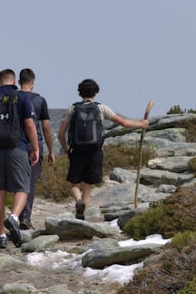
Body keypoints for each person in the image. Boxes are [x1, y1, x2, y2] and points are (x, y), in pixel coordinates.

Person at [57, 78, 149, 220]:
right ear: (96, 92)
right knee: (88, 185)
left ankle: (78, 202)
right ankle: (82, 215)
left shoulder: (72, 108)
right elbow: (123, 122)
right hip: (95, 151)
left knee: (74, 184)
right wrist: (140, 124)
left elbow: (61, 133)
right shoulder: (101, 108)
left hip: (76, 151)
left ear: (79, 93)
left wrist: (67, 149)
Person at [0, 69, 40, 249]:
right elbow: (29, 125)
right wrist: (35, 148)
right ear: (14, 82)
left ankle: (1, 235)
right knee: (22, 186)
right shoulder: (22, 97)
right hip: (17, 148)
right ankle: (14, 217)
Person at [18, 68, 55, 230]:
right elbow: (46, 127)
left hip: (15, 145)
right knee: (30, 182)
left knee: (18, 181)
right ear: (33, 82)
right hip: (34, 145)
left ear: (19, 82)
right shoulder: (40, 101)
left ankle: (16, 215)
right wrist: (51, 150)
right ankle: (25, 216)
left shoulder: (13, 99)